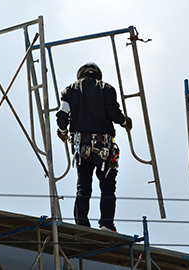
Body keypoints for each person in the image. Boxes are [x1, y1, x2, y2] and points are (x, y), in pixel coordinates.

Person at [56, 62, 132, 232]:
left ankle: (82, 225)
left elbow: (62, 115)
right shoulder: (107, 89)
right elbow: (114, 113)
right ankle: (106, 224)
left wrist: (62, 131)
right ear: (98, 75)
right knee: (107, 186)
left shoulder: (69, 90)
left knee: (83, 186)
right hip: (103, 146)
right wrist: (125, 122)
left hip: (81, 147)